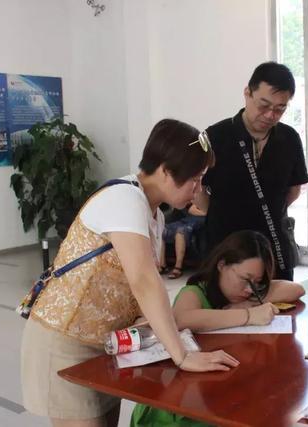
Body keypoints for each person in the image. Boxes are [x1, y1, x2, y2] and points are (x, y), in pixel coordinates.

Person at [21, 119, 239, 427]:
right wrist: (182, 355)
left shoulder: (154, 215)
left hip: (107, 342)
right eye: (195, 178)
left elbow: (140, 286)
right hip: (66, 343)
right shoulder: (124, 199)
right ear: (165, 171)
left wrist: (162, 333)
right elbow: (143, 281)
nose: (198, 189)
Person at [130, 230, 305, 426]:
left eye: (257, 283)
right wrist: (247, 315)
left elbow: (296, 289)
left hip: (221, 393)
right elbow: (181, 319)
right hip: (176, 406)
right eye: (246, 279)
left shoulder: (247, 295)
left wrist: (253, 299)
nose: (249, 289)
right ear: (222, 265)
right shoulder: (195, 291)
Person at [194, 62, 308, 281]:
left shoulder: (289, 138)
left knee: (280, 301)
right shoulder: (215, 136)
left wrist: (267, 209)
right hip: (225, 247)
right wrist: (222, 213)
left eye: (280, 109)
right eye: (263, 105)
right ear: (247, 93)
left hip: (273, 247)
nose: (270, 115)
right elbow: (196, 188)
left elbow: (294, 190)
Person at [159, 202, 206, 279]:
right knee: (161, 229)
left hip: (198, 221)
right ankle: (162, 265)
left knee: (180, 231)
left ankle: (178, 267)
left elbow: (194, 210)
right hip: (186, 219)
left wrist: (205, 213)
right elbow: (191, 209)